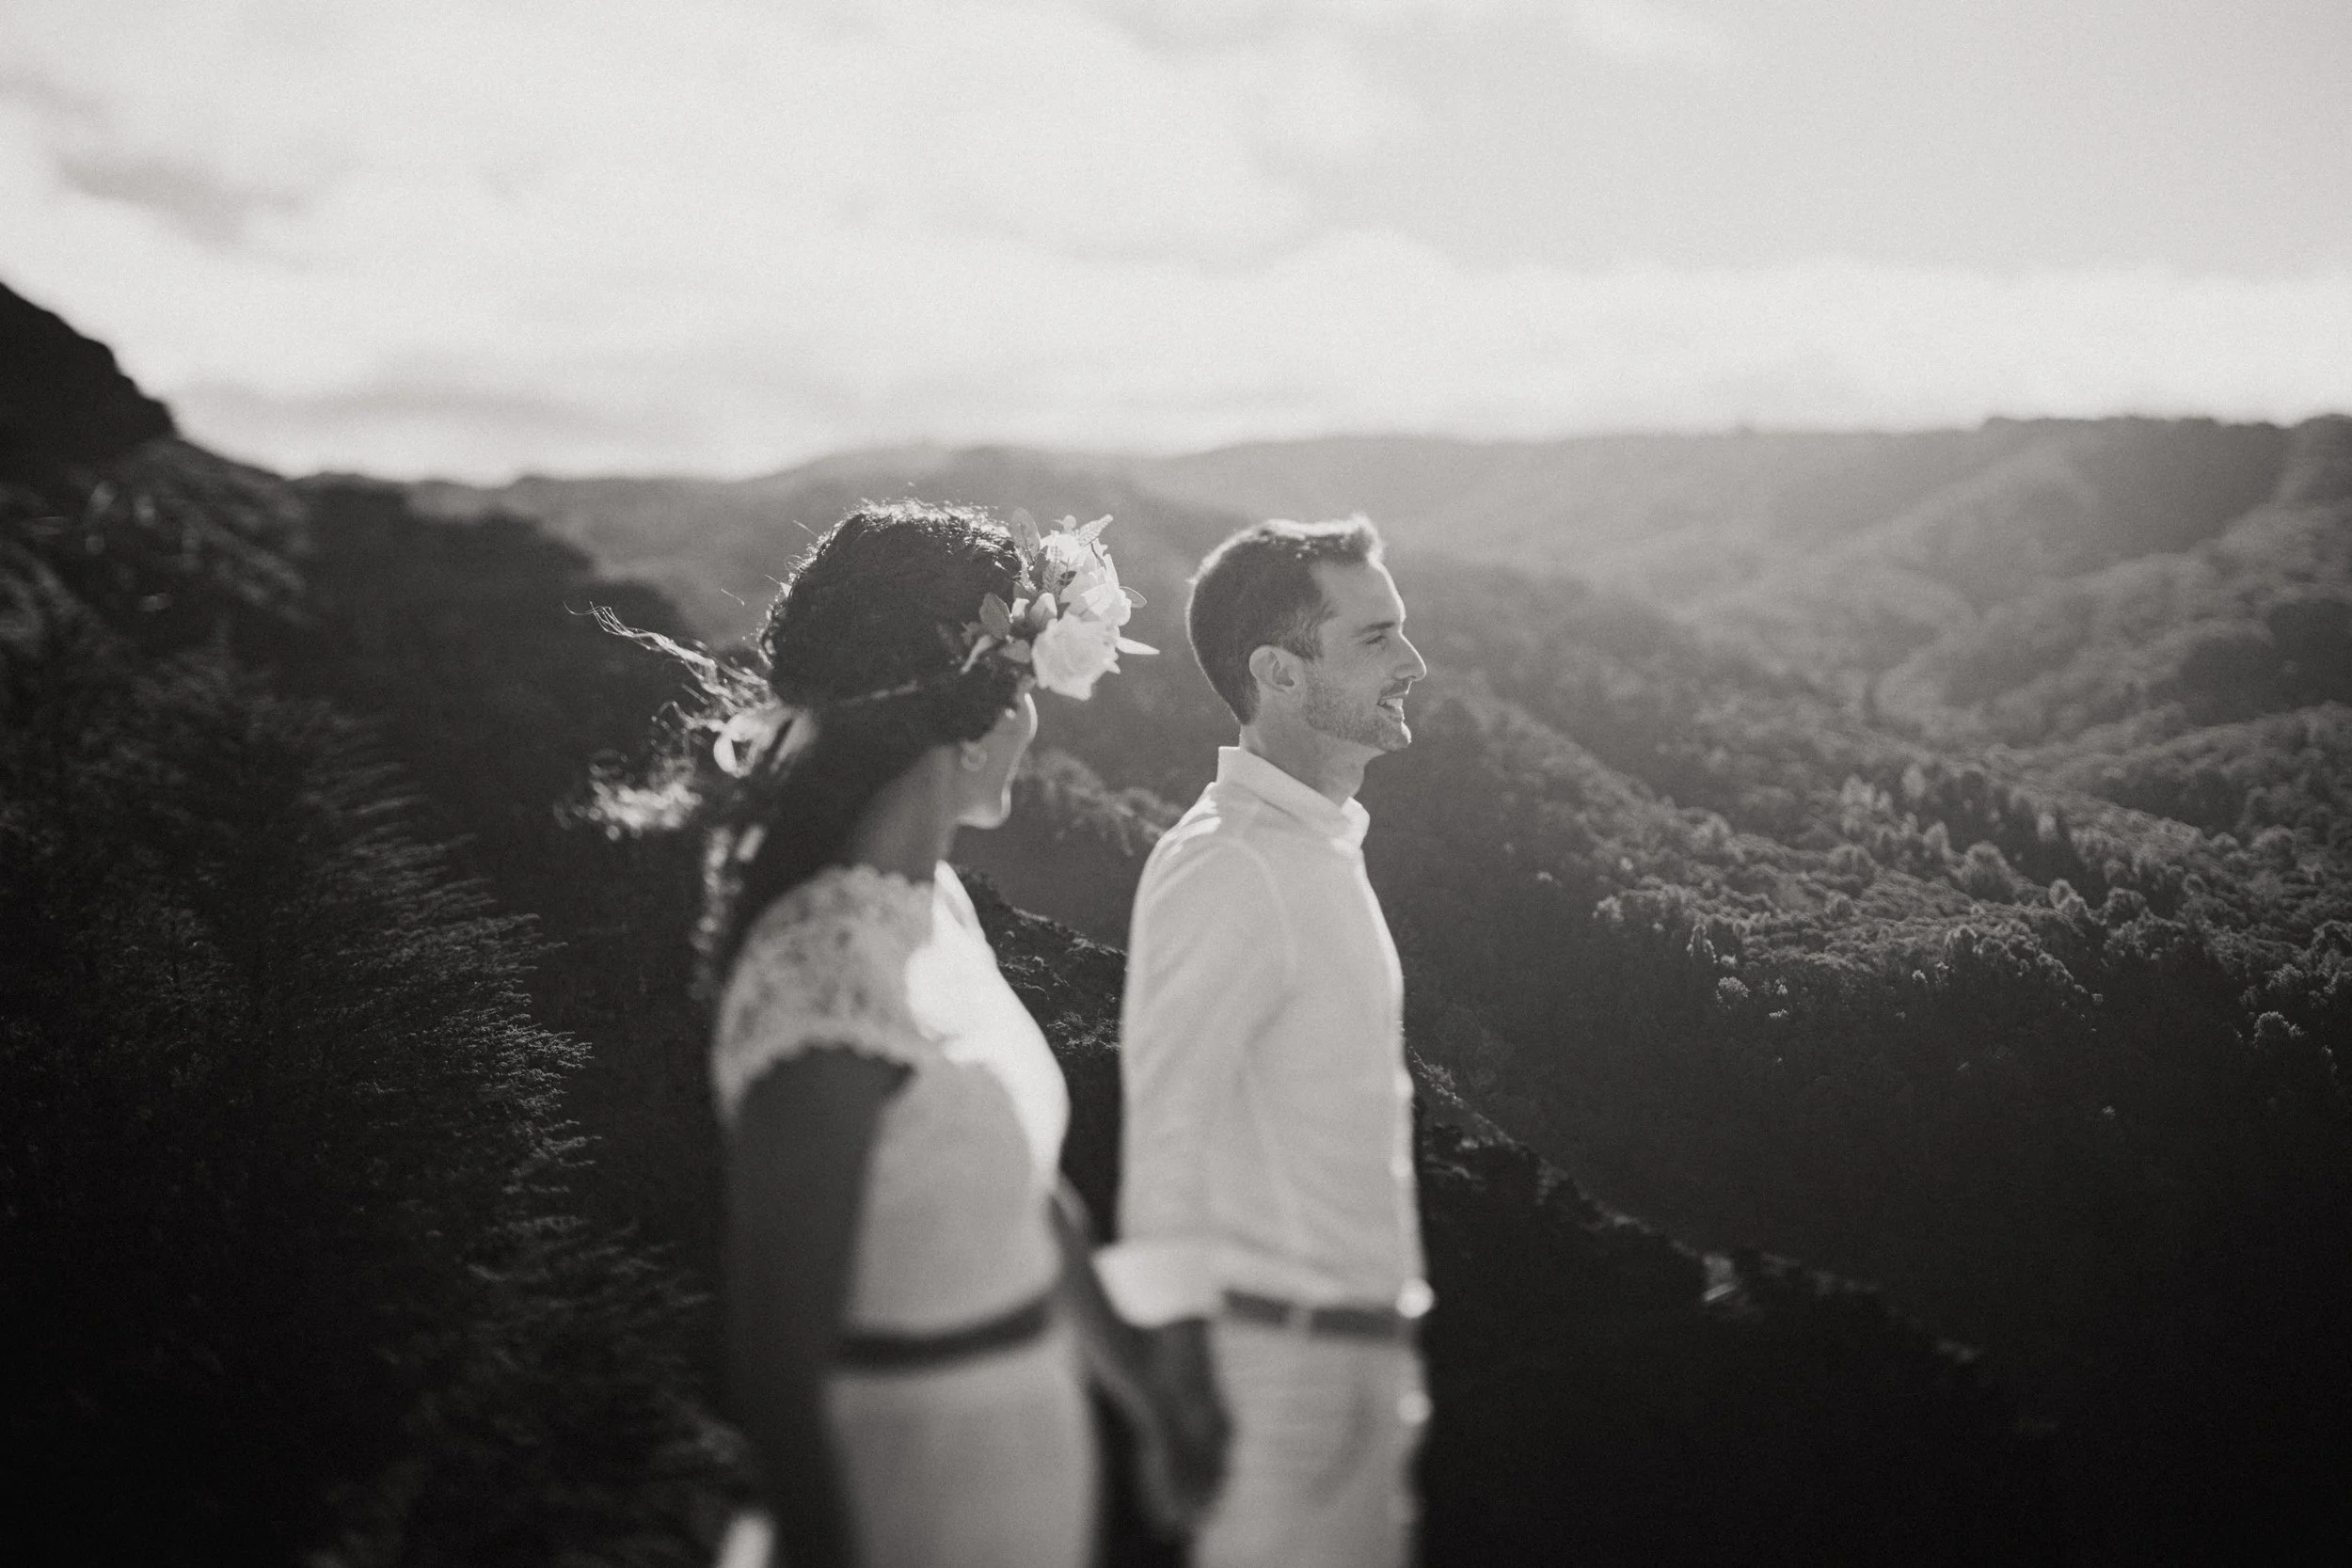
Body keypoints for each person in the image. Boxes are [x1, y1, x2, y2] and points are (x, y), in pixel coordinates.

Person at [597, 500, 1178, 1568]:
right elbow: (778, 1359)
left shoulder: (933, 904)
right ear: (985, 703)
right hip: (910, 1489)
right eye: (1031, 685)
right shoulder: (826, 970)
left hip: (1029, 1458)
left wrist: (1140, 1384)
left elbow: (1014, 1184)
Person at [1099, 516, 1434, 1568]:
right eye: (1376, 637)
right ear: (1277, 673)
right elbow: (1165, 1118)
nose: (1413, 663)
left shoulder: (1316, 846)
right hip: (1276, 1384)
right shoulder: (1229, 865)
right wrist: (1179, 1386)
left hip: (1351, 1366)